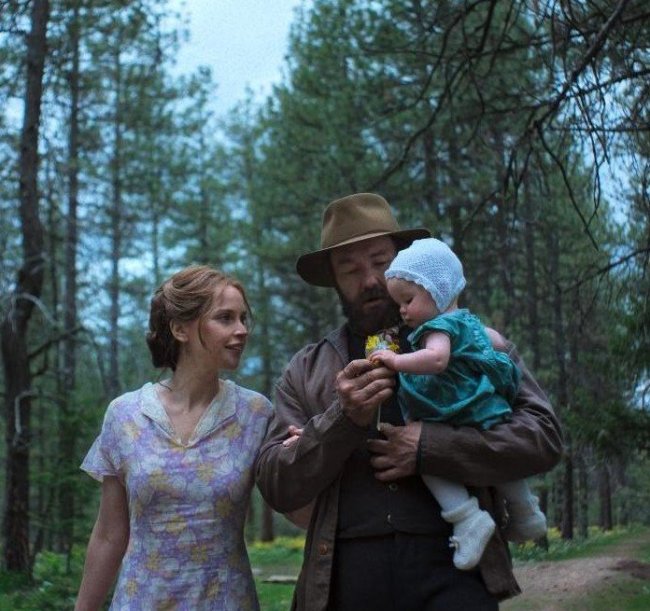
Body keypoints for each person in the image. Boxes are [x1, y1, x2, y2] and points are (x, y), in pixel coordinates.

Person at [255, 193, 563, 610]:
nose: (370, 280)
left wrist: (429, 448)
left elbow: (543, 437)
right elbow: (277, 484)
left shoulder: (469, 340)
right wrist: (341, 420)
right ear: (334, 280)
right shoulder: (306, 370)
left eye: (380, 262)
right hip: (345, 583)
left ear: (404, 262)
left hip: (457, 576)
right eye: (350, 269)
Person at [75, 265, 272, 610]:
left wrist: (316, 445)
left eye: (243, 318)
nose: (242, 330)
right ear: (180, 329)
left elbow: (299, 506)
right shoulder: (126, 415)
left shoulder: (256, 413)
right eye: (225, 318)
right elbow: (108, 535)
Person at [368, 237, 547, 571]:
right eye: (399, 303)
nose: (402, 310)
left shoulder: (436, 328)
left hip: (452, 408)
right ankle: (525, 512)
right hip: (485, 405)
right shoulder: (470, 322)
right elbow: (495, 343)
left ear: (437, 291)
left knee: (425, 457)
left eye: (408, 300)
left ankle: (466, 518)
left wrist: (396, 361)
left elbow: (436, 360)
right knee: (499, 462)